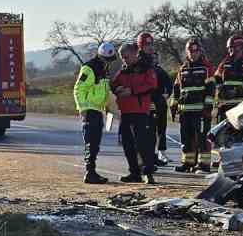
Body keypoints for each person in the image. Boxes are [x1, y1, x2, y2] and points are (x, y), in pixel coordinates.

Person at [111, 42, 158, 184]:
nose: (124, 60)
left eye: (126, 57)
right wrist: (117, 89)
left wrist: (132, 91)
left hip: (140, 112)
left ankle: (148, 173)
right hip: (125, 112)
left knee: (143, 144)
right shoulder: (123, 70)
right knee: (127, 144)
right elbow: (113, 84)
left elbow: (151, 85)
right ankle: (134, 173)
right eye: (122, 57)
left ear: (134, 54)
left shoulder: (146, 68)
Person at [73, 41, 117, 184]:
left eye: (110, 60)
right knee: (91, 142)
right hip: (90, 110)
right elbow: (78, 89)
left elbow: (105, 91)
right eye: (106, 59)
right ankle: (90, 173)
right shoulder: (89, 68)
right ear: (100, 56)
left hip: (98, 110)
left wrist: (110, 108)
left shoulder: (104, 69)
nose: (108, 62)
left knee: (95, 143)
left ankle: (92, 172)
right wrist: (83, 109)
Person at [170, 38, 215, 173]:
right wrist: (173, 105)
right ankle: (188, 163)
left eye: (195, 51)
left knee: (202, 138)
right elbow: (177, 89)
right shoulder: (183, 68)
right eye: (190, 51)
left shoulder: (206, 67)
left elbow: (211, 89)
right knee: (186, 139)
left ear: (200, 51)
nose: (193, 53)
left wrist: (208, 108)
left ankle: (204, 165)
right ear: (187, 52)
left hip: (200, 111)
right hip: (185, 111)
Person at [135, 32, 174, 168]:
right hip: (143, 104)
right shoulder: (138, 63)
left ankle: (151, 158)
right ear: (141, 46)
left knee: (152, 133)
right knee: (144, 134)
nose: (151, 47)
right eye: (147, 45)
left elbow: (167, 83)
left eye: (152, 44)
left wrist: (163, 96)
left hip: (155, 103)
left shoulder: (153, 64)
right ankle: (142, 162)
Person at [211, 35, 243, 118]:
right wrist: (220, 89)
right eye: (229, 48)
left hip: (242, 105)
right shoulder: (225, 62)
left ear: (241, 48)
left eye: (233, 47)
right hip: (225, 105)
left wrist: (236, 91)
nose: (230, 50)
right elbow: (217, 76)